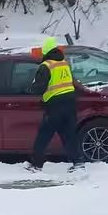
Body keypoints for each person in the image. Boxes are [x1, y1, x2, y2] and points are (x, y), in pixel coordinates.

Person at [28, 37, 83, 170]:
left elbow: (39, 88)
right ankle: (78, 163)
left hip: (55, 106)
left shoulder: (46, 66)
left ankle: (36, 164)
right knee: (69, 135)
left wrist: (30, 88)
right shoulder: (64, 63)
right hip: (70, 105)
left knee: (44, 136)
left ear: (45, 51)